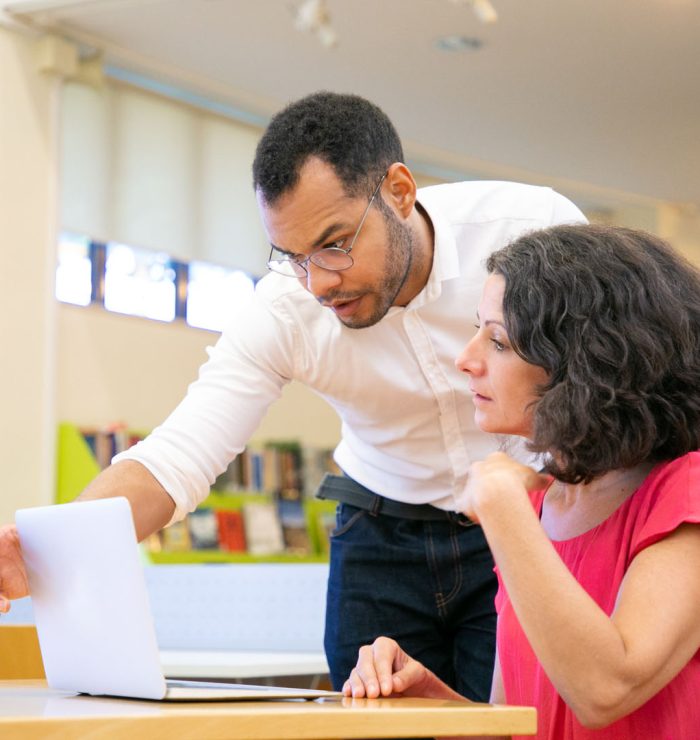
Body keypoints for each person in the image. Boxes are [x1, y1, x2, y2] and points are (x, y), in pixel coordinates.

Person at [0, 91, 586, 698]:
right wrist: (50, 551)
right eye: (293, 256)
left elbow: (606, 390)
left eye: (336, 243)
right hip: (378, 529)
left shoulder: (531, 232)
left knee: (520, 720)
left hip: (527, 514)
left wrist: (549, 480)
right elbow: (175, 458)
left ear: (400, 191)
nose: (319, 283)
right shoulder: (285, 307)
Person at [344, 224, 700, 739]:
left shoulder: (684, 493)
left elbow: (606, 690)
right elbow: (514, 722)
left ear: (581, 365)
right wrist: (429, 700)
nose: (466, 360)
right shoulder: (536, 509)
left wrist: (502, 508)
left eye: (499, 341)